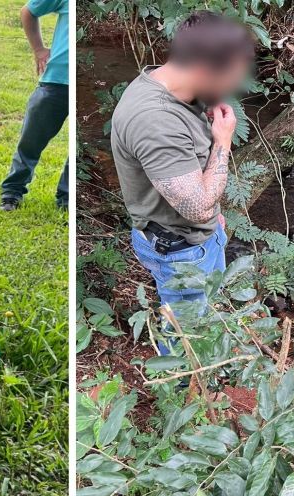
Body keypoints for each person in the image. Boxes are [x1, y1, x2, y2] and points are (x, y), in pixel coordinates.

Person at [109, 12, 253, 319]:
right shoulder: (156, 121)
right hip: (180, 252)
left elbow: (193, 180)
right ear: (203, 69)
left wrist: (213, 222)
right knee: (186, 336)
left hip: (196, 239)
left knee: (208, 316)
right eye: (231, 78)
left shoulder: (175, 88)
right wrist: (223, 140)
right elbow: (197, 208)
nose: (235, 86)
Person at [0, 0, 69, 212]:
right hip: (55, 81)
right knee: (31, 140)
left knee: (78, 149)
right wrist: (39, 50)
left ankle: (66, 200)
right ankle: (11, 192)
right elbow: (28, 11)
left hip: (85, 81)